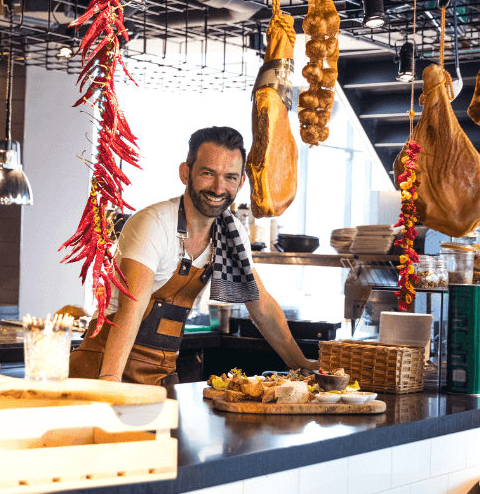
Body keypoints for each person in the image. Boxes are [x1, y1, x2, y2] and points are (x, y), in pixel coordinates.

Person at [69, 126, 318, 385]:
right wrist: (110, 379)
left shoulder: (231, 233)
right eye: (208, 173)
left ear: (241, 182)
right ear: (185, 173)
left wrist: (302, 365)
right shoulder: (153, 224)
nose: (219, 188)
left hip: (159, 376)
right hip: (101, 369)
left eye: (230, 177)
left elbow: (262, 307)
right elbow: (131, 310)